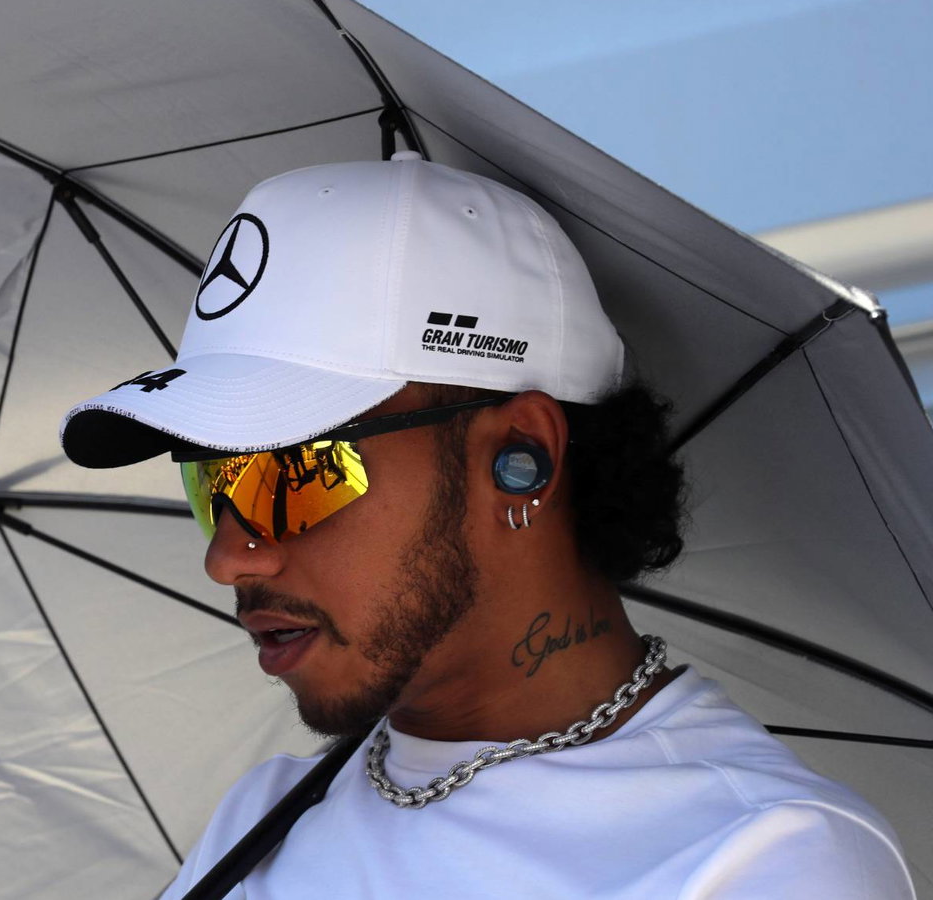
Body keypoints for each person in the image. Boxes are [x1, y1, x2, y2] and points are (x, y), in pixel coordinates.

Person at [58, 154, 914, 898]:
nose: (229, 557)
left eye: (292, 473)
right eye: (212, 479)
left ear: (520, 454)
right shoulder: (263, 821)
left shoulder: (760, 857)